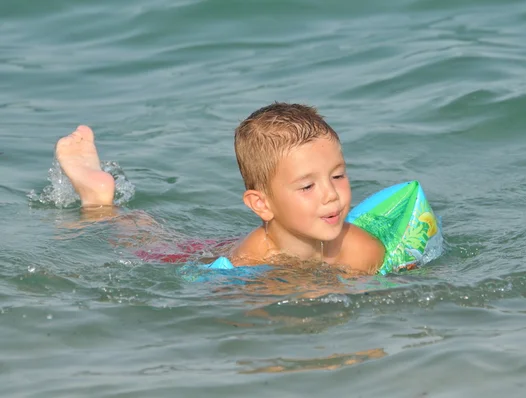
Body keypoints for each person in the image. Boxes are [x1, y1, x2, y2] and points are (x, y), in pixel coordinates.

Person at [55, 103, 385, 274]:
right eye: (308, 186)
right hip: (211, 257)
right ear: (262, 204)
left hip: (231, 243)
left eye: (338, 176)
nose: (331, 194)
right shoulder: (251, 264)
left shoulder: (360, 248)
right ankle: (99, 203)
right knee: (153, 245)